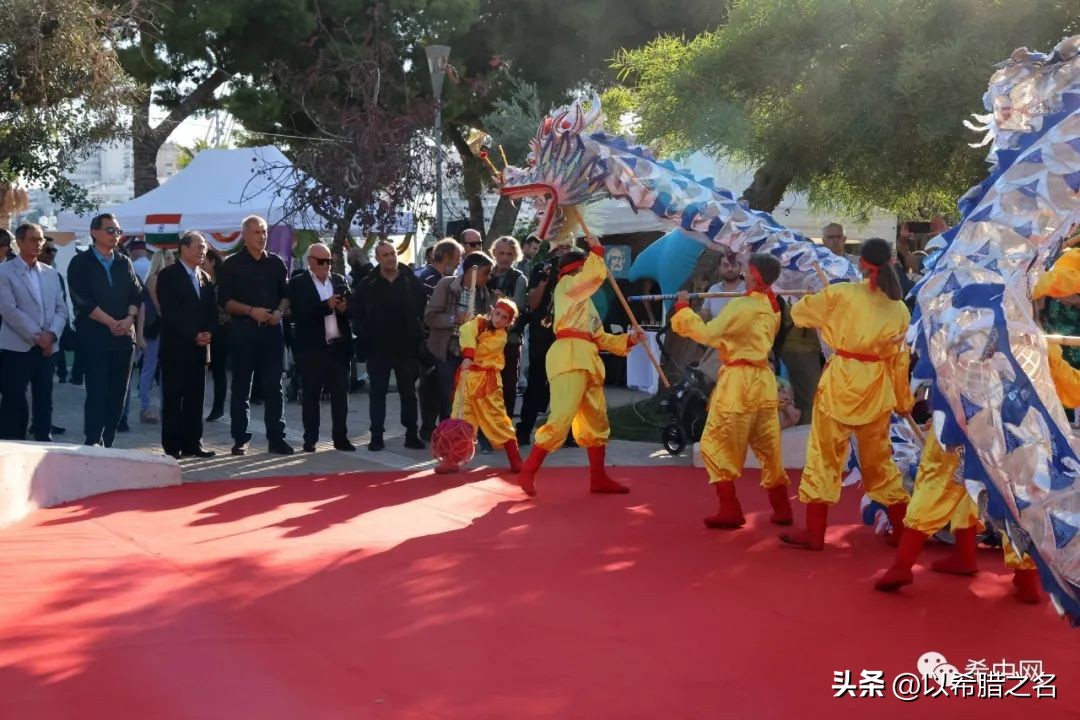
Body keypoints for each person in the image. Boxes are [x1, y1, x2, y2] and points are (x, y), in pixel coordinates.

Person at [780, 238, 913, 550]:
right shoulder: (900, 310)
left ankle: (815, 533)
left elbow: (799, 313)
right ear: (890, 262)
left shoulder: (840, 294)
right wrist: (904, 401)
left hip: (840, 384)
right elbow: (900, 361)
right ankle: (904, 530)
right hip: (876, 389)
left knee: (823, 458)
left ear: (862, 264)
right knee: (879, 463)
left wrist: (818, 301)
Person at [670, 253, 792, 529]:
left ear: (754, 275)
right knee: (768, 447)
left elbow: (708, 334)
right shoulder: (772, 308)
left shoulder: (743, 306)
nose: (743, 274)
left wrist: (683, 309)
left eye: (747, 270)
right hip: (763, 382)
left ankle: (730, 508)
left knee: (715, 442)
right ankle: (782, 508)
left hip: (739, 384)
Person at [516, 238, 644, 497]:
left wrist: (629, 340)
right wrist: (597, 251)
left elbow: (600, 337)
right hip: (568, 356)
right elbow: (595, 276)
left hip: (587, 357)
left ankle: (598, 477)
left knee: (596, 420)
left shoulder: (586, 302)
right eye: (584, 266)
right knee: (561, 418)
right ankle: (528, 471)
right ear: (576, 269)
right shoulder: (566, 285)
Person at [217, 215, 293, 456]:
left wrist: (279, 312)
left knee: (274, 387)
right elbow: (224, 301)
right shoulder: (232, 264)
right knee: (241, 388)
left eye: (264, 232)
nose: (262, 236)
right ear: (245, 235)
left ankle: (276, 439)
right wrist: (251, 311)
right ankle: (240, 438)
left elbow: (286, 294)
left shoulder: (276, 263)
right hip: (243, 332)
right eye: (256, 232)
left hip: (272, 332)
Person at [67, 213, 142, 447]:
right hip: (95, 338)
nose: (115, 235)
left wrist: (129, 318)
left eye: (118, 231)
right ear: (94, 232)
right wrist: (111, 322)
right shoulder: (80, 263)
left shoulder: (123, 261)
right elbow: (82, 300)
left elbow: (136, 292)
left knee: (118, 394)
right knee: (97, 392)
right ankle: (92, 441)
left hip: (123, 339)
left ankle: (108, 441)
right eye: (110, 230)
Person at [352, 240, 427, 451]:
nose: (390, 258)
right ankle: (376, 436)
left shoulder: (411, 281)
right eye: (385, 255)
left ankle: (411, 434)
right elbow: (356, 314)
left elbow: (422, 308)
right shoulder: (368, 284)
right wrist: (366, 335)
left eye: (393, 253)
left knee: (408, 393)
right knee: (377, 393)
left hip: (407, 349)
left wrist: (416, 333)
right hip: (378, 350)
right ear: (377, 258)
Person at [435, 298, 524, 474]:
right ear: (492, 312)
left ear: (508, 322)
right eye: (497, 314)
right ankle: (453, 460)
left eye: (504, 317)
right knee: (460, 418)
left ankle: (515, 458)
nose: (498, 319)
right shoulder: (477, 323)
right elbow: (466, 330)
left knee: (496, 418)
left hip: (486, 383)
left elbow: (482, 349)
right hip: (467, 380)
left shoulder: (501, 337)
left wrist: (470, 351)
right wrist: (469, 331)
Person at [0, 223, 69, 441]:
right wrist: (38, 336)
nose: (38, 244)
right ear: (19, 242)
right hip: (17, 348)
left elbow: (61, 309)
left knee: (44, 398)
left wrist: (52, 335)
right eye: (33, 239)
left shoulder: (51, 273)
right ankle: (11, 443)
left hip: (47, 348)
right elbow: (10, 311)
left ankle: (43, 439)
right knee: (14, 399)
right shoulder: (4, 272)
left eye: (40, 240)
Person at [156, 231, 217, 458]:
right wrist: (194, 334)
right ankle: (172, 446)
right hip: (176, 348)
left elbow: (212, 311)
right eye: (199, 247)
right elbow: (171, 312)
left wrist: (209, 332)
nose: (203, 251)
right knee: (174, 398)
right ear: (184, 248)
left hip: (200, 349)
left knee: (195, 397)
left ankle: (193, 442)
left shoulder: (206, 278)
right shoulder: (168, 275)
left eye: (204, 248)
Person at [288, 243, 354, 452]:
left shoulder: (339, 280)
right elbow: (300, 313)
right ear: (310, 261)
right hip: (312, 348)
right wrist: (326, 306)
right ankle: (310, 439)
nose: (326, 265)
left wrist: (345, 307)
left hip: (338, 347)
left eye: (329, 261)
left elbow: (352, 309)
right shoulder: (299, 283)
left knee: (340, 396)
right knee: (311, 396)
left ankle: (341, 438)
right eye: (321, 261)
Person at [425, 252, 495, 433]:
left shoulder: (484, 293)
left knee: (464, 396)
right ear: (472, 272)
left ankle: (458, 432)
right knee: (449, 395)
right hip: (447, 351)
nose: (488, 278)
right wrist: (455, 318)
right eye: (485, 273)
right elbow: (430, 317)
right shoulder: (446, 285)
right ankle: (447, 433)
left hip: (469, 354)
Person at [516, 242, 573, 446]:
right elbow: (533, 303)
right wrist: (544, 280)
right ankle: (524, 429)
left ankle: (566, 431)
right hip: (542, 332)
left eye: (568, 247)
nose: (564, 252)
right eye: (561, 247)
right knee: (536, 381)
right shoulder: (542, 268)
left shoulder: (577, 270)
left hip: (568, 333)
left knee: (565, 384)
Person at [416, 238, 463, 440]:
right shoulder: (435, 280)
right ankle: (438, 431)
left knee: (431, 390)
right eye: (457, 259)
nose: (459, 264)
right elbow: (428, 314)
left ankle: (429, 429)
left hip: (427, 341)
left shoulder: (422, 274)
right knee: (438, 391)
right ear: (445, 258)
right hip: (431, 341)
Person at [487, 236, 528, 418]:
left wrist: (503, 300)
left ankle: (505, 425)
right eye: (501, 253)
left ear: (515, 256)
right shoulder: (486, 273)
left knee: (508, 385)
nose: (504, 258)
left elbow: (517, 311)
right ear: (494, 253)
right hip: (486, 339)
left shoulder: (519, 279)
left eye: (509, 254)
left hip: (509, 340)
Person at [135, 249, 174, 425]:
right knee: (149, 369)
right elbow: (159, 306)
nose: (173, 261)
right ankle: (145, 408)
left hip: (161, 329)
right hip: (155, 329)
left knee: (161, 369)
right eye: (170, 258)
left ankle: (165, 407)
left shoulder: (164, 278)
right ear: (162, 260)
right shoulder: (154, 278)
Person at [200, 247, 230, 422]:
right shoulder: (205, 281)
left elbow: (224, 306)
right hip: (209, 329)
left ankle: (218, 408)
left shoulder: (221, 283)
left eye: (205, 262)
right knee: (212, 370)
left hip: (221, 330)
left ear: (213, 262)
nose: (202, 265)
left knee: (219, 370)